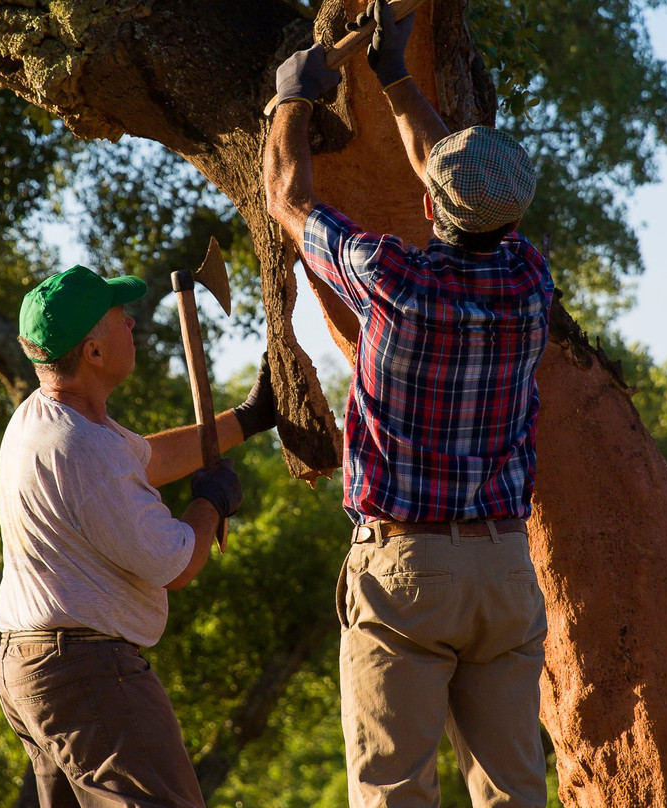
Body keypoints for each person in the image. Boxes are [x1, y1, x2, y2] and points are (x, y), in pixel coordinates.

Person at [263, 2, 554, 806]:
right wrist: (394, 75)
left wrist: (290, 98)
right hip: (502, 569)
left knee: (393, 792)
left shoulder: (395, 280)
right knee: (514, 791)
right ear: (514, 216)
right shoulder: (530, 283)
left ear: (431, 204)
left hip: (406, 570)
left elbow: (289, 201)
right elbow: (450, 183)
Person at [0, 264, 275, 808]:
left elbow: (149, 458)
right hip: (85, 672)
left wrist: (248, 418)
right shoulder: (81, 446)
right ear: (93, 353)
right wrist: (209, 503)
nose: (132, 324)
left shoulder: (44, 417)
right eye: (120, 318)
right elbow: (177, 563)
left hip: (33, 666)